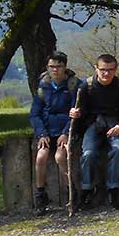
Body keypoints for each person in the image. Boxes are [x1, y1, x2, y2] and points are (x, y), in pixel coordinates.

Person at [69, 54, 119, 210]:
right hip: (93, 123)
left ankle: (113, 188)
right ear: (96, 68)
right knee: (88, 153)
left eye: (110, 70)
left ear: (116, 69)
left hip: (115, 122)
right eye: (103, 70)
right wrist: (76, 115)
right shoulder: (86, 86)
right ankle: (87, 188)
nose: (106, 74)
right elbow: (80, 110)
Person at [29, 51, 84, 215]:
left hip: (65, 130)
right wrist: (41, 133)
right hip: (47, 130)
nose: (55, 70)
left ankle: (71, 194)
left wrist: (66, 132)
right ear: (47, 67)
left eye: (59, 66)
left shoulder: (75, 85)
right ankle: (40, 196)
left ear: (65, 67)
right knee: (41, 157)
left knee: (61, 157)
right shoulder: (43, 86)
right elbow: (35, 113)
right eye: (52, 66)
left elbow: (76, 113)